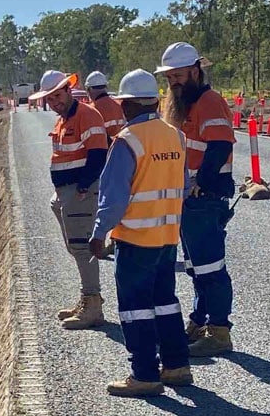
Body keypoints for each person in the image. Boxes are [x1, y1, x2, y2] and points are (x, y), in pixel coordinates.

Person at [88, 71, 193, 397]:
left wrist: (98, 232)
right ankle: (176, 366)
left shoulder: (127, 140)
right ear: (156, 100)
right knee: (165, 302)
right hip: (166, 237)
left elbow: (114, 198)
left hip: (134, 239)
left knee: (135, 307)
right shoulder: (175, 136)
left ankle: (144, 373)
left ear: (127, 103)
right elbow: (185, 186)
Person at [158, 42, 236, 358]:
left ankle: (219, 332)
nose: (174, 82)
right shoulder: (183, 105)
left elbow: (218, 147)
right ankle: (199, 321)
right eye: (169, 77)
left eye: (178, 75)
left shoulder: (209, 102)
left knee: (211, 269)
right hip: (189, 200)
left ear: (195, 70)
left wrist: (198, 184)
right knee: (197, 269)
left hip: (204, 198)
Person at [31, 70, 110, 328]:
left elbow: (98, 154)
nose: (54, 102)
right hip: (68, 192)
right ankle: (87, 298)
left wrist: (83, 187)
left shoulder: (86, 116)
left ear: (68, 89)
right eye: (50, 99)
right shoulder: (63, 120)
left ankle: (92, 305)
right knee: (75, 247)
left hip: (80, 192)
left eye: (57, 96)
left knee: (82, 248)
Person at [83, 71, 126, 141]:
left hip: (103, 148)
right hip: (120, 146)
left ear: (89, 89)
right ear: (106, 87)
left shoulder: (92, 109)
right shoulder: (119, 104)